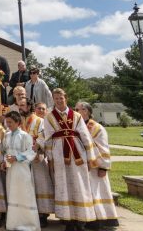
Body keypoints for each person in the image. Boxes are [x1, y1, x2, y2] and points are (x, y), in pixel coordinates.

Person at [43, 89, 100, 231]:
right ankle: (68, 220)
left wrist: (90, 157)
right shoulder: (49, 117)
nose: (59, 100)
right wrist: (50, 158)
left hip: (77, 152)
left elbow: (85, 135)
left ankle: (80, 219)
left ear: (66, 98)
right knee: (63, 185)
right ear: (53, 100)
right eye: (56, 98)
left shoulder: (76, 116)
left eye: (61, 98)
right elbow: (48, 139)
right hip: (58, 153)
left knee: (79, 183)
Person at [76, 101, 119, 230]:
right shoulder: (76, 126)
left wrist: (103, 167)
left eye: (79, 109)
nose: (77, 112)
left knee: (98, 193)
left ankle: (102, 220)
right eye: (76, 109)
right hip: (81, 167)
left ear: (87, 111)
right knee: (87, 194)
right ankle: (88, 219)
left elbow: (103, 148)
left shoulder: (96, 127)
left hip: (96, 168)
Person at [19, 97, 54, 226]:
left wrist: (37, 147)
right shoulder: (19, 121)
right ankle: (28, 214)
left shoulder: (40, 121)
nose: (21, 108)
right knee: (27, 187)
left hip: (36, 158)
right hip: (22, 158)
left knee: (40, 185)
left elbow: (43, 136)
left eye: (23, 105)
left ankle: (43, 215)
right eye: (19, 106)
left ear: (29, 107)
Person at [1, 111, 40, 231]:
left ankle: (28, 224)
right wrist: (3, 161)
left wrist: (16, 158)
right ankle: (13, 223)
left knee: (24, 194)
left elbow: (31, 152)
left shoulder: (25, 136)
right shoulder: (6, 136)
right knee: (12, 193)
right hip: (10, 169)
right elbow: (4, 151)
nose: (8, 125)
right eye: (7, 122)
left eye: (10, 122)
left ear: (18, 122)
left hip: (22, 169)